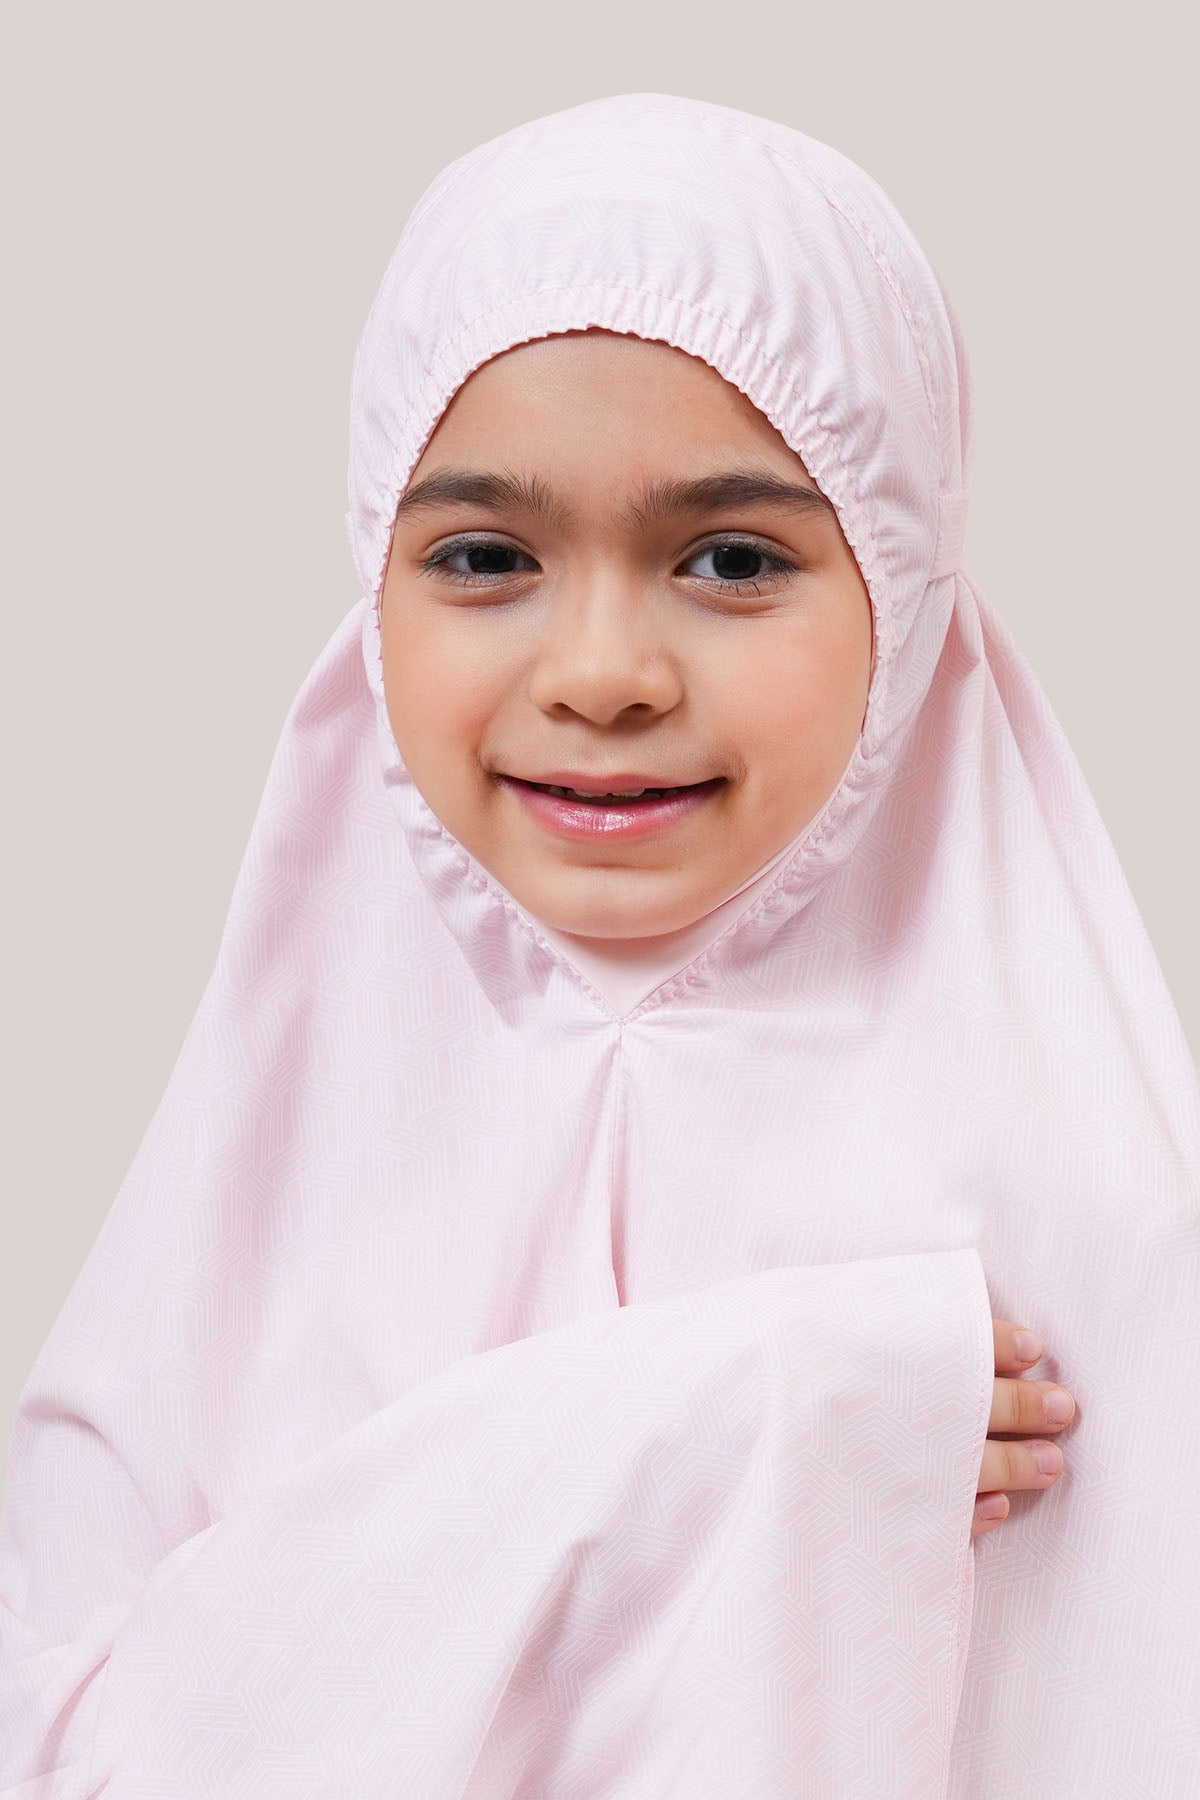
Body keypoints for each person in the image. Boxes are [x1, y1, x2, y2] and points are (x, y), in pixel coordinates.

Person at [1, 91, 1196, 1797]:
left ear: (907, 589)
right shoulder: (255, 1181)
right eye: (487, 557)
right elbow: (78, 1748)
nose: (602, 675)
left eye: (732, 558)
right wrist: (737, 1419)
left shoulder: (1099, 1231)